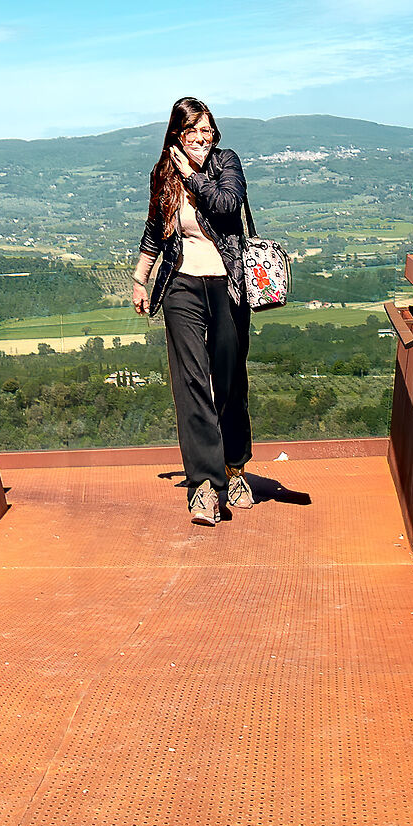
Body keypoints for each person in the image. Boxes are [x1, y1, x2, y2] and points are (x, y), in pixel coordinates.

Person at [129, 97, 254, 527]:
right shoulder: (163, 175)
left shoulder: (226, 164)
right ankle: (204, 485)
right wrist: (140, 278)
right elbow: (154, 228)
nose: (203, 139)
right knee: (191, 383)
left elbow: (225, 205)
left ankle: (234, 469)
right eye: (193, 132)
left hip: (228, 285)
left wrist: (192, 174)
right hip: (181, 283)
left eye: (208, 131)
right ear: (177, 135)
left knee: (230, 380)